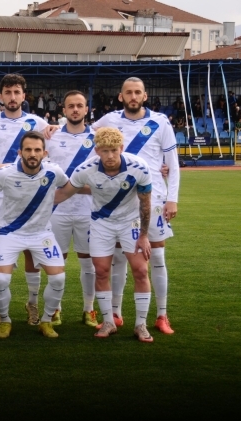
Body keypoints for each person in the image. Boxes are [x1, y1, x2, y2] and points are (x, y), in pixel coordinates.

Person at [92, 77, 179, 334]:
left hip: (153, 198)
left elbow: (172, 163)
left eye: (137, 92)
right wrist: (52, 127)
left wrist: (172, 198)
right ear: (121, 96)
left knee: (157, 257)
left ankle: (161, 315)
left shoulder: (160, 122)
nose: (133, 96)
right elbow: (83, 134)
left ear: (145, 95)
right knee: (119, 257)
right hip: (118, 200)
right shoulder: (109, 120)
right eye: (128, 92)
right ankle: (116, 314)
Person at [55, 127, 155, 342]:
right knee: (101, 272)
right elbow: (64, 193)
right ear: (97, 151)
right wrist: (35, 203)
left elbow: (146, 204)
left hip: (130, 223)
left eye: (114, 150)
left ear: (121, 148)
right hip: (101, 223)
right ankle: (108, 321)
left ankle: (141, 324)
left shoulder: (139, 167)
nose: (110, 156)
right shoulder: (85, 169)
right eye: (105, 151)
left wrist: (144, 236)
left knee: (140, 270)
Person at [0, 131, 68, 339]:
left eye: (37, 150)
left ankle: (45, 321)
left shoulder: (54, 172)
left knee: (58, 278)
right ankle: (5, 321)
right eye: (28, 150)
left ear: (44, 153)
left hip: (41, 233)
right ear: (20, 152)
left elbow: (71, 187)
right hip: (10, 233)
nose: (32, 154)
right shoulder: (5, 174)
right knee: (0, 279)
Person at [46, 90, 98, 327]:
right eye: (71, 106)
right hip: (57, 210)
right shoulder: (51, 136)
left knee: (88, 262)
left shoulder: (98, 137)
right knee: (57, 261)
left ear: (86, 109)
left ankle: (89, 309)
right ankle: (55, 309)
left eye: (79, 105)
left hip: (89, 210)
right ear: (64, 109)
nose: (75, 109)